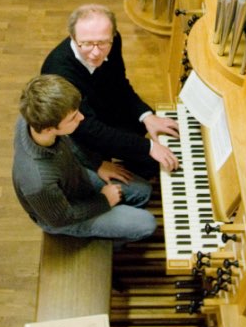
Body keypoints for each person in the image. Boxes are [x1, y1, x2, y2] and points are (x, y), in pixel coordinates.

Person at [12, 74, 156, 248]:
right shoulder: (36, 182)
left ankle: (118, 221)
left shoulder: (32, 119)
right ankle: (106, 244)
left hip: (75, 178)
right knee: (146, 224)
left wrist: (98, 165)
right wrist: (104, 200)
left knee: (143, 191)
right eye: (73, 117)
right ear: (49, 129)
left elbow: (69, 144)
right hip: (64, 216)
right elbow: (61, 217)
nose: (81, 117)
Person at [41, 4, 180, 180]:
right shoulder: (58, 73)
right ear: (73, 37)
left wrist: (146, 116)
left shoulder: (113, 42)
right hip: (79, 130)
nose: (96, 53)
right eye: (87, 44)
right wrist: (149, 147)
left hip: (100, 109)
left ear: (112, 36)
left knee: (150, 135)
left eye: (103, 43)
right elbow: (87, 129)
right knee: (149, 157)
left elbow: (119, 83)